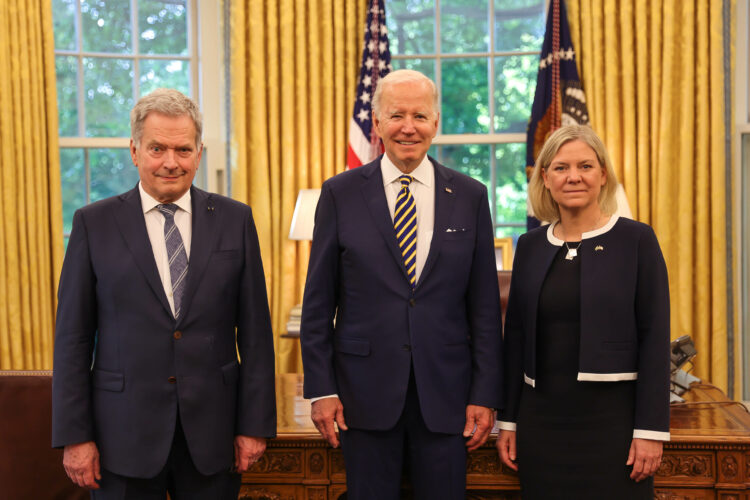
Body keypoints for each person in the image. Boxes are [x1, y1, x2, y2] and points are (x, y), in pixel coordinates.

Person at [52, 88, 276, 499]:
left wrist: (254, 425)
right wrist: (74, 436)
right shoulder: (93, 224)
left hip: (214, 434)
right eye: (157, 148)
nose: (170, 162)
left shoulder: (235, 219)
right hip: (121, 435)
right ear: (135, 151)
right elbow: (72, 339)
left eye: (182, 149)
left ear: (199, 153)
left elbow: (257, 334)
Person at [300, 69, 503, 499]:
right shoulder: (339, 193)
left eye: (419, 116)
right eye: (396, 115)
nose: (408, 127)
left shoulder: (469, 195)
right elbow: (318, 304)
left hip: (448, 399)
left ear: (436, 123)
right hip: (360, 398)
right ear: (376, 123)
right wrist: (321, 389)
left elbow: (484, 308)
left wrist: (485, 394)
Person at [496, 124, 670, 499]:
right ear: (545, 177)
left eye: (585, 166)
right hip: (541, 424)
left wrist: (651, 432)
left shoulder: (637, 239)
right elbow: (517, 342)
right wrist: (507, 421)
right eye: (560, 167)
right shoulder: (529, 246)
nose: (573, 176)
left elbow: (655, 338)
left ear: (603, 174)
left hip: (614, 426)